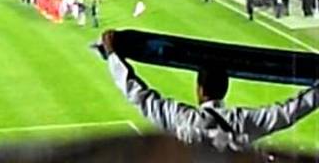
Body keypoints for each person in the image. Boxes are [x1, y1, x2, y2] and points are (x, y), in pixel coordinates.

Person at [98, 30, 319, 151]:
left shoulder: (181, 119)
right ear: (225, 89)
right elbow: (288, 112)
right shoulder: (243, 122)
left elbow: (139, 95)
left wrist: (113, 56)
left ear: (200, 89)